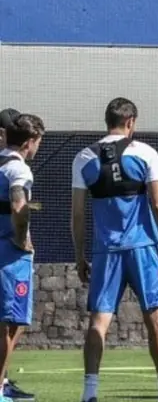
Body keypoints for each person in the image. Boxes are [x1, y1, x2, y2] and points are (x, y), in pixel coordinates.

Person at [70, 98, 158, 402]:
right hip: (144, 249)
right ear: (131, 122)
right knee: (157, 317)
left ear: (106, 120)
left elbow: (78, 214)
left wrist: (79, 255)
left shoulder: (83, 158)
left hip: (106, 251)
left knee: (99, 320)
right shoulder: (146, 153)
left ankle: (89, 394)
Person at [0, 114, 44, 402]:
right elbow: (19, 205)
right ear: (29, 142)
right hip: (9, 254)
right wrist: (22, 237)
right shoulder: (19, 170)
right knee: (11, 320)